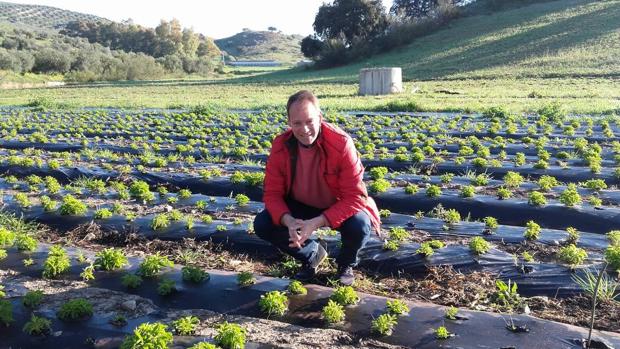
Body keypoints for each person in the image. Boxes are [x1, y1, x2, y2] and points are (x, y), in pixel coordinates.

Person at [253, 90, 381, 285]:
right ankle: (311, 254)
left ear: (320, 118)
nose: (304, 129)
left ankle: (345, 264)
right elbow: (272, 194)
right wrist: (288, 221)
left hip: (336, 204)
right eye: (297, 123)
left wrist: (317, 222)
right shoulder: (281, 145)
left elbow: (355, 197)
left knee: (360, 226)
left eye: (309, 121)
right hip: (299, 204)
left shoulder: (341, 144)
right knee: (263, 223)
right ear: (289, 123)